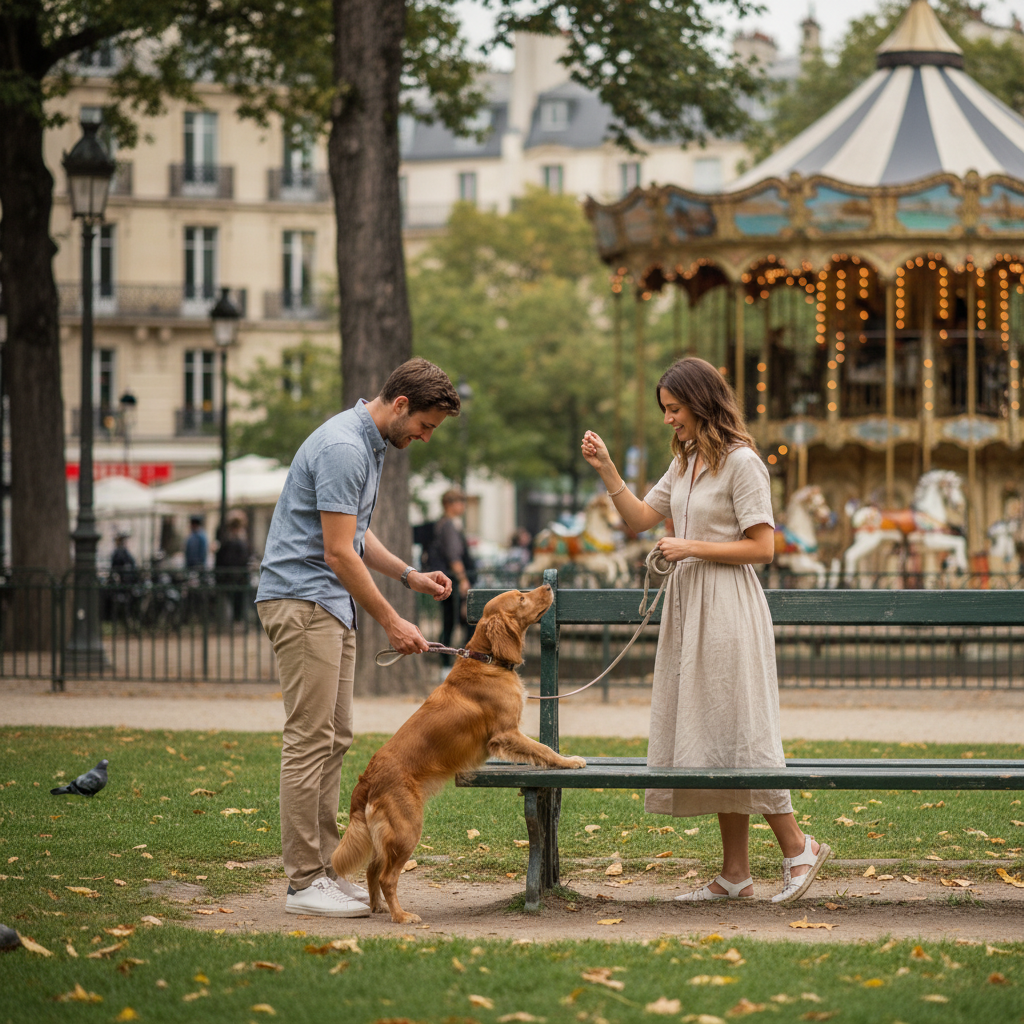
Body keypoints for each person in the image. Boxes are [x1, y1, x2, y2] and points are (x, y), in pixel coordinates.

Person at [581, 356, 831, 904]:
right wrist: (607, 469)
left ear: (700, 402)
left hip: (729, 606)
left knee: (741, 729)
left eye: (675, 408)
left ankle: (798, 847)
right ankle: (735, 874)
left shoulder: (743, 463)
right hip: (690, 605)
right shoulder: (687, 461)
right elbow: (639, 519)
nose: (668, 419)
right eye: (665, 410)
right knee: (717, 736)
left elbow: (763, 547)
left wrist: (690, 545)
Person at [255, 358, 460, 917]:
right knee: (309, 739)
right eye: (425, 425)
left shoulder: (369, 445)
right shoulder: (345, 447)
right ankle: (304, 881)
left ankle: (324, 871)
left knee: (335, 737)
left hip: (328, 603)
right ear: (400, 405)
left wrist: (409, 576)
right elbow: (338, 552)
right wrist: (393, 621)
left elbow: (358, 535)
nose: (424, 437)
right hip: (303, 600)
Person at [424, 489, 475, 667]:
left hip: (451, 581)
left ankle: (452, 662)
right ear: (449, 504)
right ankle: (448, 663)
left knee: (454, 622)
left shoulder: (447, 524)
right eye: (459, 502)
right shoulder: (448, 526)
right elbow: (454, 557)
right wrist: (463, 580)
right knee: (454, 622)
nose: (463, 506)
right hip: (453, 582)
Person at [216, 511, 252, 623]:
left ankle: (236, 620)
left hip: (234, 577)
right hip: (234, 577)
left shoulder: (234, 540)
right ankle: (236, 620)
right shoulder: (235, 540)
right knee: (235, 602)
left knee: (236, 602)